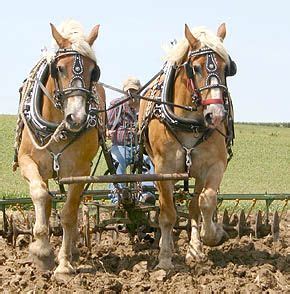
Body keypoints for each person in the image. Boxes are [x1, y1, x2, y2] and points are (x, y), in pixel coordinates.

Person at [107, 77, 155, 204]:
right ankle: (118, 196)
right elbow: (106, 125)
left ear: (139, 91)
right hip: (121, 147)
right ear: (124, 92)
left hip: (142, 147)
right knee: (117, 163)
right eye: (128, 91)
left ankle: (147, 193)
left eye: (134, 91)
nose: (131, 94)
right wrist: (107, 132)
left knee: (150, 162)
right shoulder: (116, 106)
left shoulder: (147, 106)